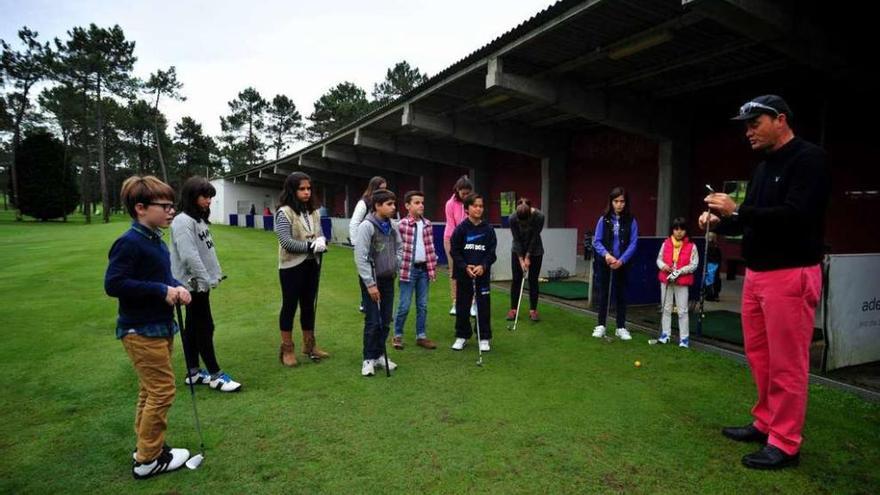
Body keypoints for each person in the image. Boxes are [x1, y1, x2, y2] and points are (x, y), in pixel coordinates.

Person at [701, 94, 830, 470]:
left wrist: (738, 209)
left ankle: (786, 442)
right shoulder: (763, 167)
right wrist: (720, 221)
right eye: (746, 125)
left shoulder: (810, 159)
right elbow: (749, 220)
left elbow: (797, 215)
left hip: (791, 274)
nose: (748, 132)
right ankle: (767, 422)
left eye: (754, 123)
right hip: (757, 276)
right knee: (761, 357)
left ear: (781, 119)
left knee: (787, 363)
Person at [104, 175, 192, 479]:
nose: (171, 211)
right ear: (140, 208)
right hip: (140, 331)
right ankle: (148, 460)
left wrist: (177, 287)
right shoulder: (129, 242)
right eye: (165, 206)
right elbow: (113, 284)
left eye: (173, 206)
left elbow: (162, 277)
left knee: (149, 391)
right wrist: (160, 291)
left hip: (158, 326)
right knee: (162, 391)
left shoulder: (155, 239)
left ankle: (147, 447)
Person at [170, 176, 241, 392]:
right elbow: (189, 256)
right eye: (204, 196)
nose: (209, 201)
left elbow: (206, 251)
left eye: (210, 196)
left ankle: (193, 372)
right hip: (193, 285)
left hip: (200, 284)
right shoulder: (182, 221)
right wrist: (204, 280)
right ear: (192, 197)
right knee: (204, 326)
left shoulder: (198, 220)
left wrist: (214, 275)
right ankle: (215, 375)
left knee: (192, 327)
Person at [275, 172, 329, 367]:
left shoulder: (314, 211)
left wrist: (322, 241)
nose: (306, 192)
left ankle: (309, 345)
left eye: (308, 189)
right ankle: (287, 349)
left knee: (308, 305)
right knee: (289, 306)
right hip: (291, 266)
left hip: (311, 264)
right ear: (292, 190)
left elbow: (319, 233)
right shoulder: (284, 212)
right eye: (302, 189)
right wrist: (310, 246)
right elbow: (286, 241)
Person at [354, 189, 403, 376]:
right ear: (377, 206)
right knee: (373, 320)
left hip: (388, 278)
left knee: (385, 320)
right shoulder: (366, 226)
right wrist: (370, 284)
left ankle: (379, 354)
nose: (393, 207)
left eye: (393, 204)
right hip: (371, 280)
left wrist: (395, 263)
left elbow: (400, 247)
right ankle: (368, 358)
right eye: (389, 204)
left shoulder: (392, 226)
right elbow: (361, 257)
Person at [450, 193, 497, 352]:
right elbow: (454, 251)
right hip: (464, 274)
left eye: (481, 206)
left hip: (482, 275)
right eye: (475, 206)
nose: (478, 209)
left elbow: (491, 253)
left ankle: (484, 337)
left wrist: (483, 266)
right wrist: (465, 266)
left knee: (483, 306)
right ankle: (462, 335)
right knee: (462, 306)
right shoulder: (460, 229)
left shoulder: (489, 229)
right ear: (467, 209)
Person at [591, 187, 639, 340]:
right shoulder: (603, 219)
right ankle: (601, 325)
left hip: (622, 264)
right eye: (616, 201)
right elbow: (597, 241)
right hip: (605, 262)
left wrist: (621, 260)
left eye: (622, 201)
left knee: (621, 295)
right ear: (611, 202)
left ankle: (620, 327)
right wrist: (607, 255)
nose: (619, 205)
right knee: (604, 293)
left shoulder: (631, 220)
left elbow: (633, 243)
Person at [393, 190, 439, 350]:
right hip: (408, 270)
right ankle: (397, 335)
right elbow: (396, 248)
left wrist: (432, 267)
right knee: (404, 305)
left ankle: (421, 336)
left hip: (424, 270)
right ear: (407, 206)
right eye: (417, 202)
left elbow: (430, 247)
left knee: (423, 305)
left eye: (422, 203)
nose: (421, 205)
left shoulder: (428, 224)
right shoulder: (401, 225)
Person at [655, 217, 699, 348]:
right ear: (672, 230)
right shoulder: (666, 243)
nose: (679, 232)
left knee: (682, 310)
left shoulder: (692, 246)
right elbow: (659, 259)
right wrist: (663, 266)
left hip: (682, 281)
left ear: (686, 231)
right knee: (666, 308)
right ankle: (665, 335)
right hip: (666, 280)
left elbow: (694, 264)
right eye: (676, 229)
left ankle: (684, 339)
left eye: (682, 229)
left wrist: (680, 271)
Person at [349, 176, 388, 312]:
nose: (384, 191)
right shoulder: (363, 203)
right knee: (365, 272)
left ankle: (382, 304)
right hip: (365, 242)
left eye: (385, 188)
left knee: (380, 272)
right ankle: (365, 302)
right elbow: (354, 222)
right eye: (381, 189)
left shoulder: (384, 203)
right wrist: (356, 243)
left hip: (379, 243)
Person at [507, 198, 545, 322]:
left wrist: (528, 256)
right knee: (516, 280)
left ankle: (533, 310)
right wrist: (521, 259)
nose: (523, 225)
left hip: (536, 250)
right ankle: (513, 309)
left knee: (533, 280)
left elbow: (535, 237)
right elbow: (516, 239)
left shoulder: (539, 217)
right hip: (517, 250)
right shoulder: (512, 218)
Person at [443, 175, 474, 316]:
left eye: (468, 193)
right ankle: (455, 303)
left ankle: (472, 303)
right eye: (463, 193)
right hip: (451, 239)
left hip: (470, 239)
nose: (466, 196)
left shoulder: (473, 203)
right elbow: (451, 224)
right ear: (457, 190)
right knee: (454, 272)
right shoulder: (450, 203)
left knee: (471, 270)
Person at [705, 232, 722, 301]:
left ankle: (711, 294)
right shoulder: (716, 248)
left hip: (712, 265)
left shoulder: (709, 248)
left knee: (710, 280)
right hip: (714, 265)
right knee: (714, 280)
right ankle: (714, 294)